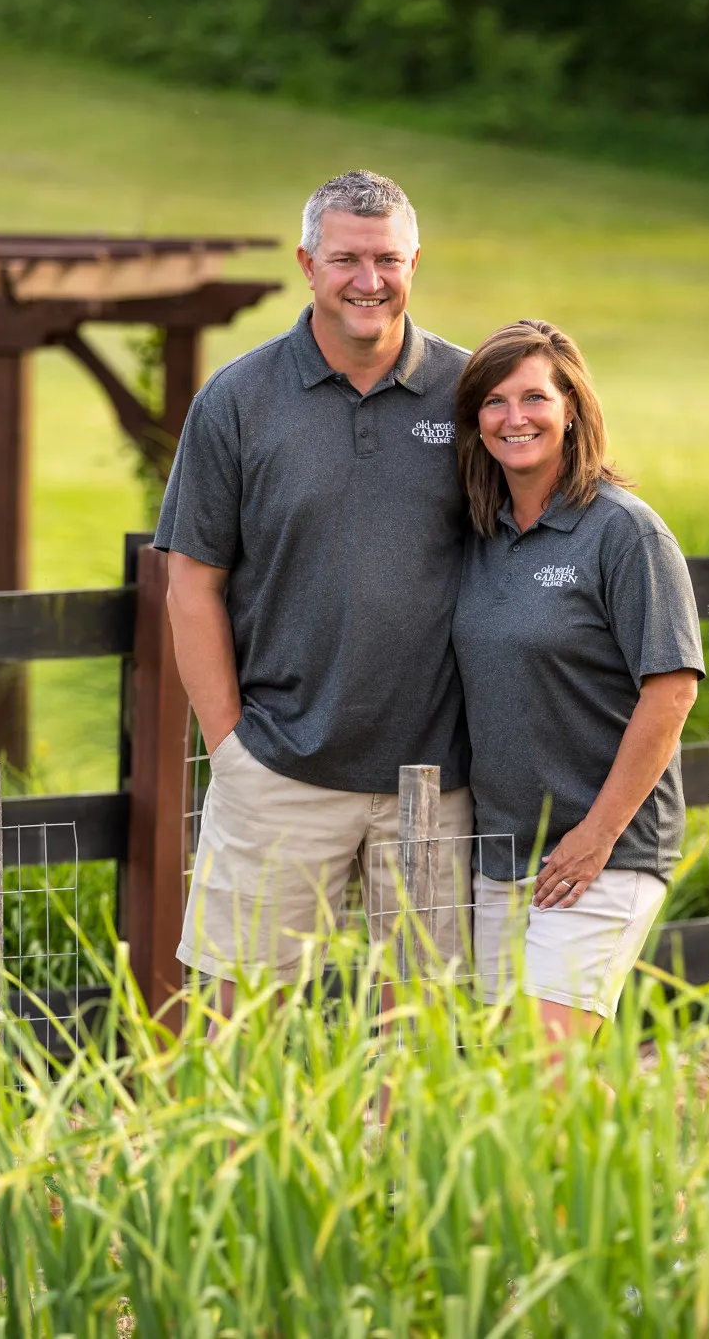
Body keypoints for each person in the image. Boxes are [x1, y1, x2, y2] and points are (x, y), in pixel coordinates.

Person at [154, 171, 473, 1017]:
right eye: (347, 260)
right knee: (235, 1025)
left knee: (427, 1035)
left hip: (435, 780)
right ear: (307, 263)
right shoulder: (237, 402)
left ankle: (403, 1159)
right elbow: (191, 582)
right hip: (280, 769)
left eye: (388, 259)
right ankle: (231, 1159)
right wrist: (230, 747)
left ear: (414, 261)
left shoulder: (470, 394)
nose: (369, 281)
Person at [451, 319, 704, 1048]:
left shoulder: (625, 533)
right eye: (494, 401)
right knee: (502, 1082)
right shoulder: (479, 534)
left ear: (572, 409)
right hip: (504, 854)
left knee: (546, 1072)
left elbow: (672, 690)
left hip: (603, 853)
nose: (514, 417)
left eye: (535, 397)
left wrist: (595, 836)